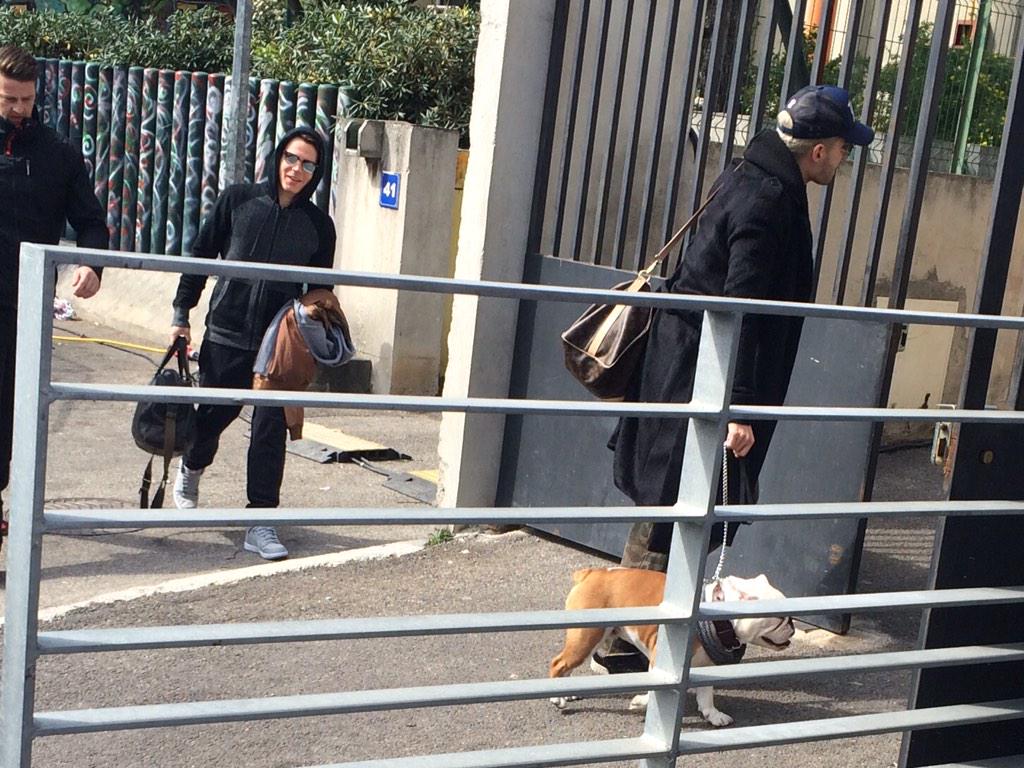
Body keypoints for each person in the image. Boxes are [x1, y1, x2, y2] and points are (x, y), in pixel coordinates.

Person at [601, 85, 874, 668]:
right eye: (843, 148)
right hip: (700, 377)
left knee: (671, 507)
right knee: (675, 510)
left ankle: (624, 643)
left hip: (689, 368)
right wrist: (741, 407)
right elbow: (741, 306)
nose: (845, 158)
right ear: (819, 150)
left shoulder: (750, 175)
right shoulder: (768, 199)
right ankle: (631, 648)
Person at [169, 126, 337, 561]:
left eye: (308, 165)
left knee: (269, 429)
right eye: (291, 158)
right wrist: (181, 314)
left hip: (277, 344)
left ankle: (261, 519)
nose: (296, 170)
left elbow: (320, 290)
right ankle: (192, 466)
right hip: (226, 332)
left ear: (317, 173)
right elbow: (201, 255)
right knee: (214, 416)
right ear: (278, 157)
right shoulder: (238, 200)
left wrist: (312, 325)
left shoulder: (319, 226)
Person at [0, 44, 106, 542]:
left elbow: (91, 221)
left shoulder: (58, 154)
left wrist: (91, 264)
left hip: (23, 308)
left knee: (11, 415)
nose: (19, 109)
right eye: (8, 99)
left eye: (26, 99)